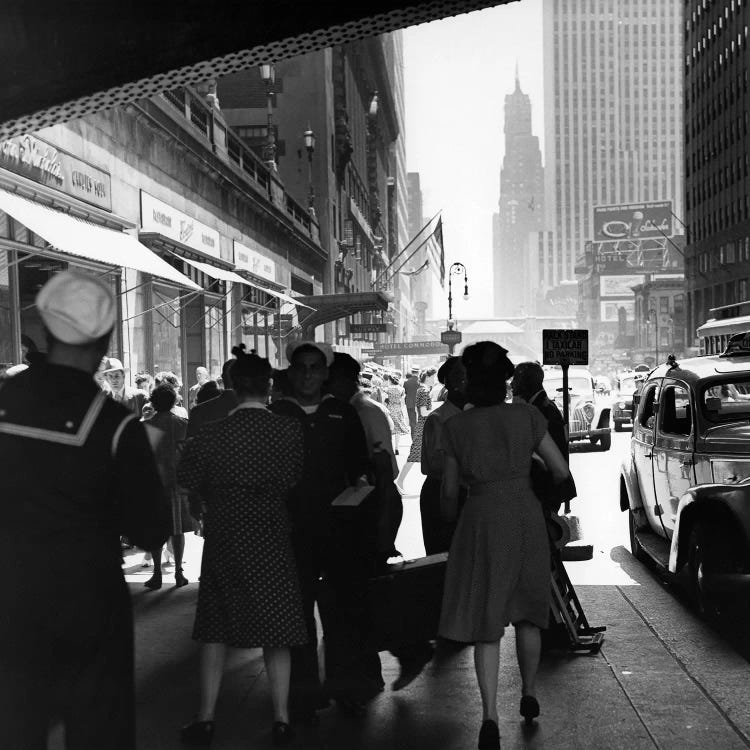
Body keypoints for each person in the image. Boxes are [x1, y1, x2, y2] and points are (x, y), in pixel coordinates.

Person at [0, 270, 170, 750]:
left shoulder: (4, 400)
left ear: (48, 328)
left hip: (8, 593)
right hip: (87, 599)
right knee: (97, 725)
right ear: (103, 336)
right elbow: (151, 527)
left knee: (13, 720)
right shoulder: (116, 426)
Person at [438, 342, 570, 750]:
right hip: (525, 516)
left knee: (486, 620)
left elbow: (446, 494)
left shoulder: (456, 427)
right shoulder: (528, 416)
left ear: (469, 382)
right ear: (506, 380)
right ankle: (529, 692)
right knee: (529, 613)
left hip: (481, 519)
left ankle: (490, 716)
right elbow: (561, 470)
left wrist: (456, 512)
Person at [177, 345, 307, 747]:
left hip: (224, 535)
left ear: (232, 386)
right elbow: (293, 479)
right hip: (270, 533)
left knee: (214, 629)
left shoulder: (210, 434)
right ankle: (282, 718)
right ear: (269, 387)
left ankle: (205, 718)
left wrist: (206, 505)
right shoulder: (288, 431)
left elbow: (185, 481)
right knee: (277, 630)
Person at [269, 341, 371, 720]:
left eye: (316, 367)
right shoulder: (277, 413)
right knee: (297, 614)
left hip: (338, 531)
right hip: (290, 532)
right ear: (292, 373)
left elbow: (361, 467)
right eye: (303, 368)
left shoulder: (342, 414)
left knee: (341, 611)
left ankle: (347, 689)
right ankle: (304, 693)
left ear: (325, 374)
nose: (309, 374)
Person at [142, 383, 195, 590]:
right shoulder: (183, 424)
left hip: (156, 484)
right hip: (179, 483)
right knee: (178, 529)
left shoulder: (148, 427)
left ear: (154, 402)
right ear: (174, 401)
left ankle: (156, 573)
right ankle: (179, 572)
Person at [510, 361, 577, 515]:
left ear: (527, 382)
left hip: (546, 488)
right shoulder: (539, 406)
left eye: (516, 379)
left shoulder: (543, 410)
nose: (512, 384)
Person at [420, 356, 467, 555]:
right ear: (452, 383)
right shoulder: (439, 419)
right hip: (441, 493)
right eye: (463, 377)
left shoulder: (473, 414)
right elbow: (437, 463)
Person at [396, 366, 437, 493]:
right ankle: (400, 481)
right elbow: (424, 412)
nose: (434, 379)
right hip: (424, 428)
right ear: (428, 377)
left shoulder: (421, 389)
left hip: (422, 427)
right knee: (415, 456)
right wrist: (437, 409)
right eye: (433, 377)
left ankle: (400, 482)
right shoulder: (424, 391)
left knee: (416, 456)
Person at [187, 358, 239, 438]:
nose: (198, 375)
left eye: (200, 373)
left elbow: (189, 444)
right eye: (197, 373)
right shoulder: (257, 414)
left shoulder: (198, 412)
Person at [382, 372, 410, 455]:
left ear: (390, 380)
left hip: (389, 409)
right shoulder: (401, 389)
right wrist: (402, 411)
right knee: (397, 429)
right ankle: (396, 448)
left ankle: (389, 447)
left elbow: (384, 401)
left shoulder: (387, 389)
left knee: (389, 429)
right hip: (398, 409)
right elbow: (402, 402)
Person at [403, 366, 420, 437]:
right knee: (420, 421)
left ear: (412, 373)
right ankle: (420, 437)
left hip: (409, 403)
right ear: (418, 373)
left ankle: (413, 438)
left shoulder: (406, 382)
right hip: (420, 403)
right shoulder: (420, 382)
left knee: (412, 422)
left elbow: (406, 392)